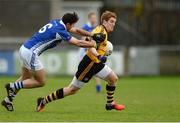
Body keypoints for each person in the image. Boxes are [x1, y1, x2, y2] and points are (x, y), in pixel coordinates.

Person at [1, 12, 105, 111]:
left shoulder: (57, 22)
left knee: (25, 78)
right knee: (41, 82)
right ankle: (12, 86)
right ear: (68, 24)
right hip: (30, 54)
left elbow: (77, 30)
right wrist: (94, 44)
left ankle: (8, 100)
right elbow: (78, 43)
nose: (73, 27)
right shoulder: (60, 31)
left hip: (24, 48)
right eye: (72, 24)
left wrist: (92, 35)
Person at [36, 11, 125, 112]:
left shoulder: (103, 31)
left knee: (113, 79)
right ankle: (43, 101)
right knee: (72, 90)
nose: (113, 24)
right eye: (111, 21)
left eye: (114, 22)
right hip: (88, 64)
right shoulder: (99, 31)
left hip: (96, 63)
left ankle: (110, 104)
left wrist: (99, 57)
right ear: (104, 21)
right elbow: (89, 44)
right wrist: (98, 56)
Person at [79, 12, 102, 93]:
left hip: (93, 50)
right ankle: (78, 84)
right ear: (89, 19)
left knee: (94, 67)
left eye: (95, 18)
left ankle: (98, 85)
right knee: (85, 69)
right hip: (85, 51)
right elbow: (82, 40)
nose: (94, 19)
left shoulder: (97, 28)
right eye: (92, 18)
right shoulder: (85, 27)